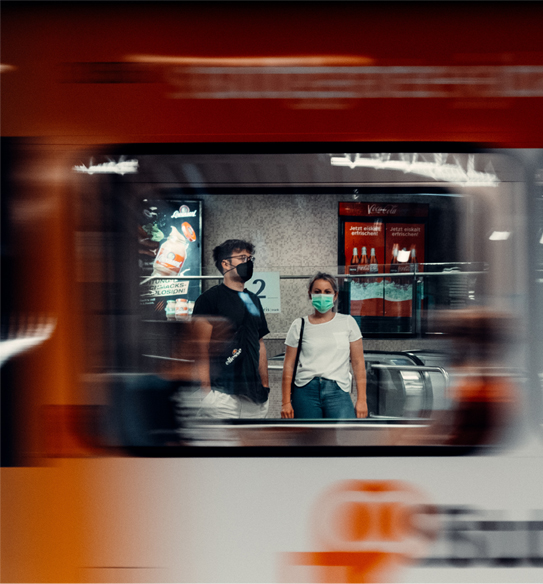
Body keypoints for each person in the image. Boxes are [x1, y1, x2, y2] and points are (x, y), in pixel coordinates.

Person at [192, 239, 270, 418]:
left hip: (255, 398)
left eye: (250, 258)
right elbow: (199, 349)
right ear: (225, 263)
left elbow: (260, 343)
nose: (248, 263)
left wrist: (265, 387)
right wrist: (207, 395)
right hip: (222, 396)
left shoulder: (253, 300)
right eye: (242, 258)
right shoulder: (209, 300)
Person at [281, 272, 368, 419]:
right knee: (308, 439)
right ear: (310, 295)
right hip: (305, 391)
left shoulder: (348, 322)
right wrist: (285, 402)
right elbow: (288, 365)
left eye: (327, 292)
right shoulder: (299, 325)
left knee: (344, 438)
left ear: (335, 296)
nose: (322, 296)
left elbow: (358, 364)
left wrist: (362, 400)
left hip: (338, 391)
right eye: (317, 292)